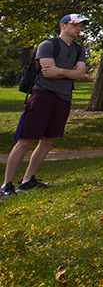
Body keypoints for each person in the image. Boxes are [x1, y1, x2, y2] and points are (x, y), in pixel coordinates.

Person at [2, 14, 88, 197]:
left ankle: (28, 180)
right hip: (43, 96)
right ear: (63, 26)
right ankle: (7, 185)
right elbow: (48, 72)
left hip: (64, 97)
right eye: (75, 25)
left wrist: (61, 71)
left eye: (81, 26)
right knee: (26, 139)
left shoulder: (79, 49)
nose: (79, 28)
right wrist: (69, 73)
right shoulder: (48, 45)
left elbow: (81, 74)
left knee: (48, 140)